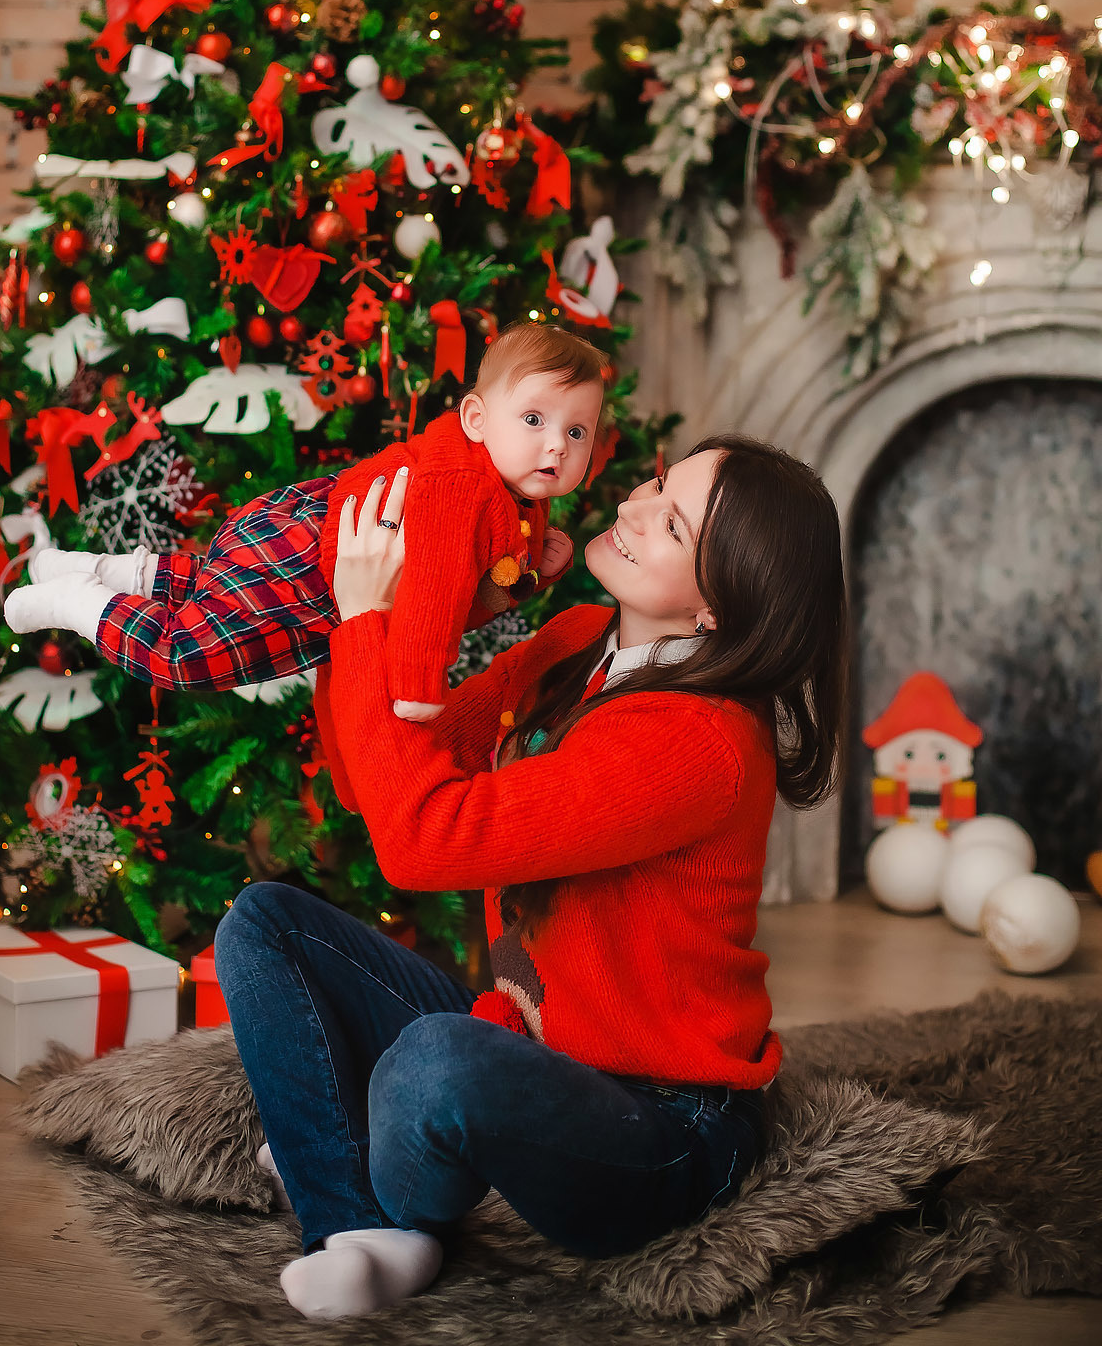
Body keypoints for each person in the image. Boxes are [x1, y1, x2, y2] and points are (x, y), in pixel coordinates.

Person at [214, 435, 848, 1321]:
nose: (631, 506)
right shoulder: (578, 641)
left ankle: (339, 1158)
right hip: (533, 1044)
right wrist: (394, 616)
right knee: (266, 921)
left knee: (435, 1065)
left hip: (662, 1124)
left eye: (670, 524)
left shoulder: (697, 742)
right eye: (656, 483)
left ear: (718, 608)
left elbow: (424, 843)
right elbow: (384, 783)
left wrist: (363, 624)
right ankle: (355, 1224)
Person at [3, 323, 606, 718]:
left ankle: (102, 568)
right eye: (534, 420)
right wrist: (420, 691)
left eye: (575, 431)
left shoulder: (510, 482)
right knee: (186, 653)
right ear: (476, 418)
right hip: (308, 575)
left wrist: (532, 576)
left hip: (297, 540)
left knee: (209, 583)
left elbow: (483, 573)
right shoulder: (462, 490)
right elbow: (435, 596)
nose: (556, 446)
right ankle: (80, 602)